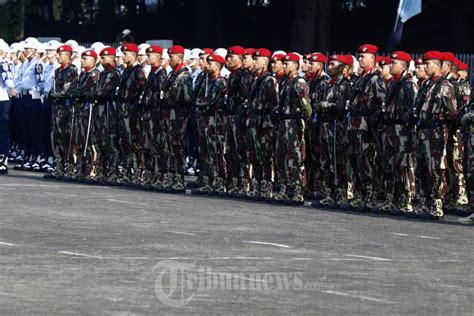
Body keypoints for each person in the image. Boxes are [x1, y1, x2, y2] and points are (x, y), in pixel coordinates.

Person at [413, 51, 458, 220]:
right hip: (422, 131)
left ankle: (436, 205)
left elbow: (452, 113)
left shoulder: (445, 86)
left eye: (428, 64)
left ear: (437, 65)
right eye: (424, 64)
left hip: (436, 133)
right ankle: (424, 203)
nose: (425, 67)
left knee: (436, 170)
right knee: (421, 169)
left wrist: (440, 123)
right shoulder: (426, 85)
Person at [346, 44, 386, 211]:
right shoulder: (360, 78)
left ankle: (369, 196)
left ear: (373, 58)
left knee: (367, 161)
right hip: (354, 124)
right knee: (355, 160)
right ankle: (358, 194)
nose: (360, 59)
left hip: (366, 126)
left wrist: (374, 123)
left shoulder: (376, 79)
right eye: (360, 56)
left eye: (364, 56)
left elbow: (380, 104)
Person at [311, 54, 352, 209]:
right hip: (324, 126)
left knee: (338, 161)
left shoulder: (345, 85)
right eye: (329, 63)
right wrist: (323, 106)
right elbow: (317, 104)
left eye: (334, 64)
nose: (330, 66)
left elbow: (342, 106)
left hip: (337, 127)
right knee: (325, 160)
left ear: (343, 67)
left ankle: (341, 195)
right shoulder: (327, 84)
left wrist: (325, 105)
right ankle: (329, 194)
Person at [272, 53, 312, 205]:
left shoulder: (299, 83)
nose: (284, 66)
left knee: (295, 157)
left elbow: (307, 108)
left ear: (295, 65)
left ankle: (297, 190)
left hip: (294, 124)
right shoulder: (285, 82)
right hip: (283, 123)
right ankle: (284, 188)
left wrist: (301, 122)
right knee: (281, 156)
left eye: (287, 63)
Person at [191, 53, 227, 195]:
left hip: (215, 120)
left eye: (211, 63)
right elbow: (198, 96)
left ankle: (219, 182)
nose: (208, 65)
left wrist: (199, 101)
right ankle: (206, 181)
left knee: (216, 152)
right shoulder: (205, 80)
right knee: (204, 151)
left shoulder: (220, 81)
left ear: (218, 67)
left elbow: (210, 100)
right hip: (204, 119)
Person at [245, 48, 278, 201]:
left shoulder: (269, 80)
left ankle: (266, 187)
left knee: (265, 156)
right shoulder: (256, 79)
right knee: (253, 155)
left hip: (264, 123)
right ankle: (256, 185)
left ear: (265, 61)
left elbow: (273, 105)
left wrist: (269, 123)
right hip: (253, 121)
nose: (255, 61)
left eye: (257, 59)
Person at [161, 45, 194, 193]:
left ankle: (179, 179)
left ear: (179, 57)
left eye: (172, 56)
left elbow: (187, 98)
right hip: (169, 115)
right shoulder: (172, 74)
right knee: (168, 147)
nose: (170, 59)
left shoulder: (184, 75)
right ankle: (170, 176)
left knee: (177, 148)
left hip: (178, 116)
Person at [44, 45, 78, 180]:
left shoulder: (72, 71)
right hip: (56, 108)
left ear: (68, 56)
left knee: (67, 137)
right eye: (58, 54)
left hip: (66, 109)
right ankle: (59, 166)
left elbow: (65, 91)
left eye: (61, 54)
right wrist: (52, 95)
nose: (58, 56)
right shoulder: (58, 71)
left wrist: (54, 95)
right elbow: (53, 90)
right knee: (55, 137)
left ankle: (70, 167)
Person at [116, 43, 146, 186]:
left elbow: (143, 88)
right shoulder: (126, 70)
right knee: (124, 141)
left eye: (126, 54)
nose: (123, 56)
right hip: (123, 109)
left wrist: (137, 105)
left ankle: (137, 171)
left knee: (134, 141)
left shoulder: (137, 70)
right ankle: (127, 171)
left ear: (133, 55)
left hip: (132, 111)